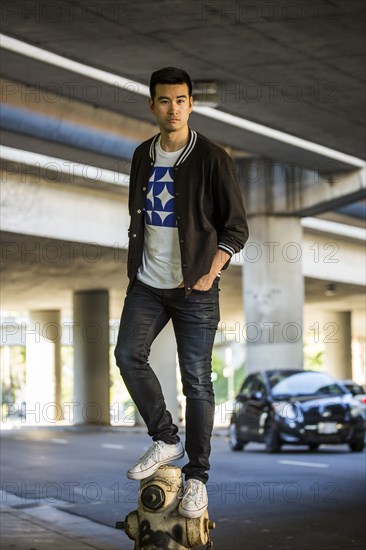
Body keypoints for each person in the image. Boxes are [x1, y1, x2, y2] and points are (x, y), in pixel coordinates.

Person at [114, 67, 248, 518]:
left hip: (196, 288)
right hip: (148, 283)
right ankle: (166, 439)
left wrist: (210, 274)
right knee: (128, 354)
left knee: (197, 382)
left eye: (181, 100)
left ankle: (198, 478)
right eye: (165, 101)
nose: (173, 109)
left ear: (191, 104)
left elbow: (236, 228)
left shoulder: (212, 158)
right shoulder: (142, 155)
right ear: (152, 105)